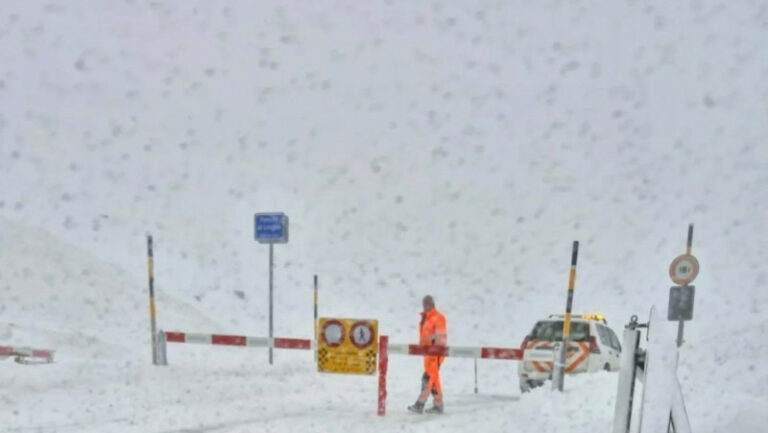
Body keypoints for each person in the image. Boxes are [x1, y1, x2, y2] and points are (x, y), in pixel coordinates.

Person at [408, 295, 447, 414]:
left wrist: (433, 348)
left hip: (435, 354)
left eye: (428, 303)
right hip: (428, 354)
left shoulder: (438, 317)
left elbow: (440, 337)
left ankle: (420, 404)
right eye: (424, 303)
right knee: (433, 380)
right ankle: (438, 405)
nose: (425, 305)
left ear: (433, 304)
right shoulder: (426, 318)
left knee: (427, 378)